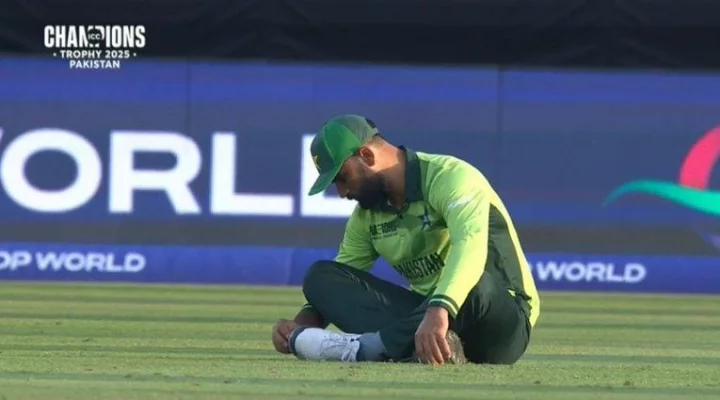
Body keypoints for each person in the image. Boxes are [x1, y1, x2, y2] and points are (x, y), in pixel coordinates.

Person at [271, 114, 540, 365]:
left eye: (342, 178)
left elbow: (469, 247)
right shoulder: (366, 215)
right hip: (424, 323)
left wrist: (439, 308)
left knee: (477, 283)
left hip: (500, 321)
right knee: (320, 276)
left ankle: (367, 348)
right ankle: (429, 347)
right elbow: (341, 277)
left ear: (366, 155)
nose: (342, 192)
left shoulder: (450, 177)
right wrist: (302, 327)